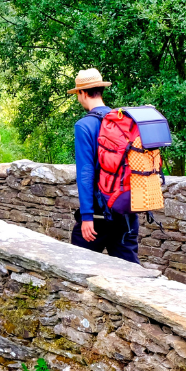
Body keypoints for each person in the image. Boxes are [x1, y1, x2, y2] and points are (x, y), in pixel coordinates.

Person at [67, 69, 140, 264]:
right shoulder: (123, 121)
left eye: (77, 95)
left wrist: (87, 217)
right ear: (100, 90)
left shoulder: (84, 126)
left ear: (83, 93)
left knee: (76, 266)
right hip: (126, 209)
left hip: (99, 214)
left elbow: (85, 174)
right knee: (130, 271)